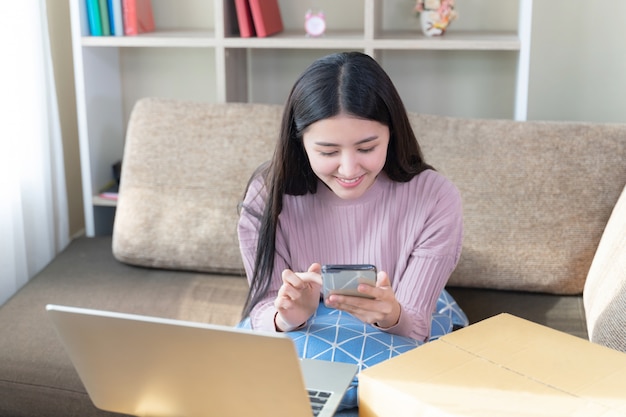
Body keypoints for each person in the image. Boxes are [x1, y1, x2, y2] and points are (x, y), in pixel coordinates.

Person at [237, 51, 464, 343]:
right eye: (328, 152)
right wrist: (288, 316)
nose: (348, 169)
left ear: (392, 134)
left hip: (396, 340)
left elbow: (416, 326)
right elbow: (263, 308)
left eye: (367, 148)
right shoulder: (266, 196)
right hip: (299, 338)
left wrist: (391, 314)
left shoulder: (435, 198)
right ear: (299, 143)